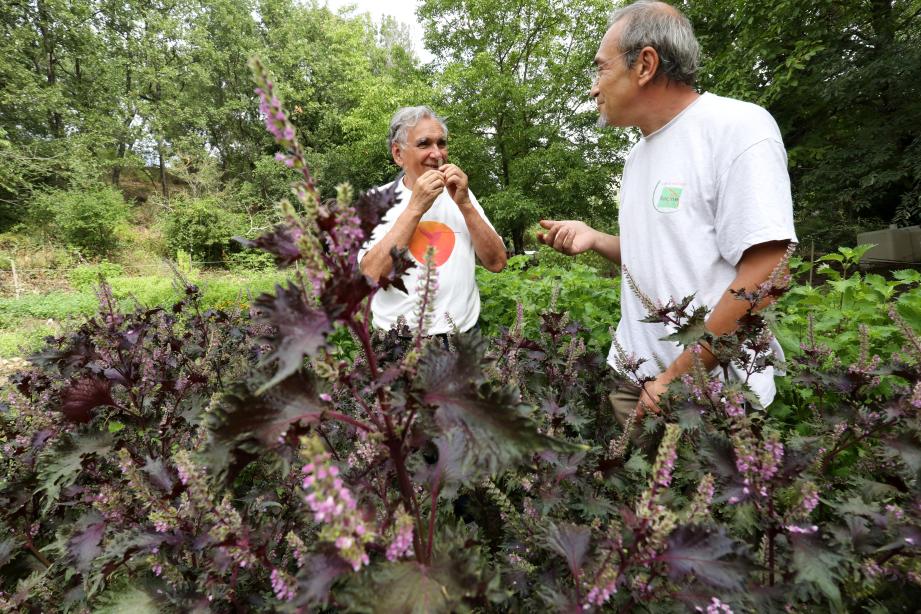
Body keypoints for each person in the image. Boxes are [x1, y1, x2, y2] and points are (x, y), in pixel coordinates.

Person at [538, 0, 797, 424]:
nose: (593, 88)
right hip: (633, 380)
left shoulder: (738, 129)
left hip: (709, 396)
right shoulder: (637, 156)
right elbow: (669, 255)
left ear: (645, 65)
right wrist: (595, 238)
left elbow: (769, 273)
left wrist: (677, 377)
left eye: (601, 69)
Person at [359, 106, 506, 336]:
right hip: (399, 344)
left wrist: (465, 204)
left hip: (462, 339)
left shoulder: (461, 195)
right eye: (424, 144)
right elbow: (370, 276)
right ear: (398, 154)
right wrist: (415, 207)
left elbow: (497, 263)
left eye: (442, 143)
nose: (437, 154)